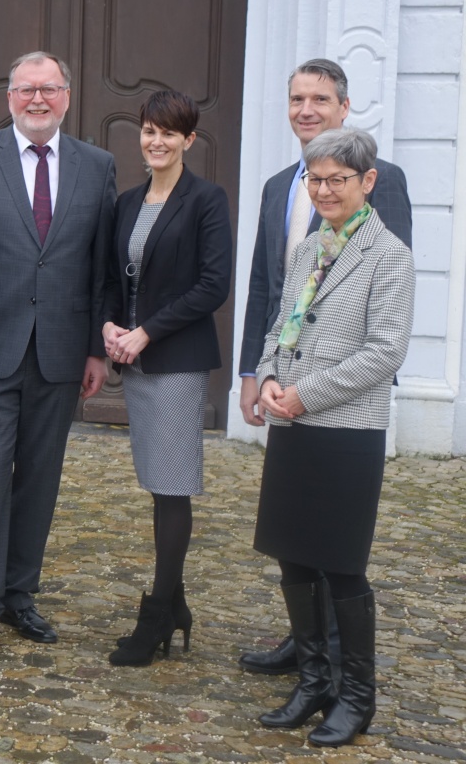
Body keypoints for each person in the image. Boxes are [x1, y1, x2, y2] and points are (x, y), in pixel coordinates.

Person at [238, 58, 413, 676]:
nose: (305, 109)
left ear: (344, 105)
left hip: (343, 398)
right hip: (288, 391)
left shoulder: (381, 181)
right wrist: (256, 373)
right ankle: (306, 648)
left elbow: (384, 313)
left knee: (337, 548)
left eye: (319, 98)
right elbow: (269, 287)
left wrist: (309, 391)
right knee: (294, 544)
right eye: (296, 98)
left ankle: (340, 663)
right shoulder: (279, 185)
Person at [0, 51, 115, 660]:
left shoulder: (98, 166)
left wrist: (96, 348)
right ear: (8, 96)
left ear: (67, 95)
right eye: (25, 90)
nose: (36, 100)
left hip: (63, 351)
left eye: (48, 89)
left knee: (40, 476)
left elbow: (100, 267)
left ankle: (20, 594)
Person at [100, 90, 232, 666]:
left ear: (189, 141)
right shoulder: (127, 202)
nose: (157, 141)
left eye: (169, 133)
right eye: (149, 131)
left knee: (173, 484)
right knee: (157, 481)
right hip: (135, 360)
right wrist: (109, 323)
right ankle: (174, 604)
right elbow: (113, 276)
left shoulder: (206, 199)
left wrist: (146, 331)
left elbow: (212, 285)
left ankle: (157, 612)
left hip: (174, 360)